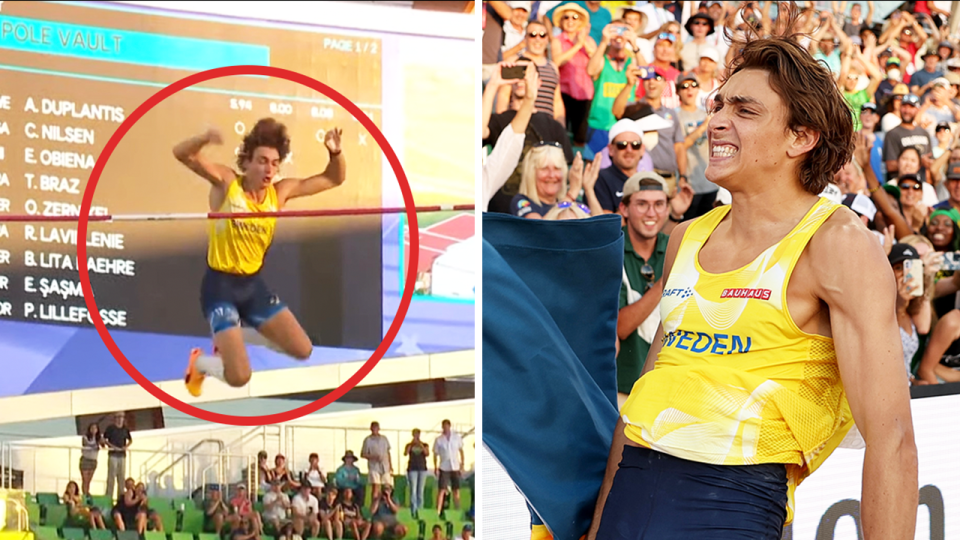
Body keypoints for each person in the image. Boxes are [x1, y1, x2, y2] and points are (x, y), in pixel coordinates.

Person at [587, 5, 917, 538]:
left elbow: (892, 439)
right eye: (719, 104)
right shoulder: (685, 236)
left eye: (744, 110)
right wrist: (603, 519)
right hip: (632, 491)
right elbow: (650, 393)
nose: (716, 119)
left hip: (731, 507)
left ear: (800, 137)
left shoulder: (837, 243)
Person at [174, 118, 345, 396]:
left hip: (253, 287)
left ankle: (232, 339)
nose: (270, 169)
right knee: (240, 376)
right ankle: (203, 363)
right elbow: (182, 154)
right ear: (248, 162)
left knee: (303, 349)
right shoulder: (227, 183)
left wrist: (335, 153)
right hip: (220, 288)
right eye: (263, 161)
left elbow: (333, 178)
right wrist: (204, 137)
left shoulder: (280, 193)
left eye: (276, 163)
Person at [614, 173, 672, 409]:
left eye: (659, 204)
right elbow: (620, 327)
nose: (652, 213)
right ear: (624, 208)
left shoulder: (677, 246)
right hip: (622, 391)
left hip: (669, 390)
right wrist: (663, 285)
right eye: (642, 204)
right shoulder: (612, 250)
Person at [433, 419, 464, 516]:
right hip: (444, 466)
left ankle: (457, 509)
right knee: (441, 489)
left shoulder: (456, 438)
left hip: (455, 466)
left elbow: (461, 451)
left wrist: (462, 464)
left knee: (456, 489)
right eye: (443, 426)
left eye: (447, 426)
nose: (445, 428)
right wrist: (435, 466)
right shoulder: (439, 439)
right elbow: (435, 454)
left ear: (449, 426)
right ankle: (437, 511)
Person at [360, 422, 393, 504]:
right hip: (374, 466)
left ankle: (386, 505)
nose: (375, 429)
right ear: (370, 429)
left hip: (385, 466)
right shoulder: (367, 440)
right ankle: (374, 506)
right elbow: (363, 454)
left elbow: (388, 452)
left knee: (387, 486)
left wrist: (391, 465)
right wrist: (373, 456)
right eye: (373, 428)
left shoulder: (384, 439)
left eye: (376, 427)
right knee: (376, 487)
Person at [103, 412, 131, 502]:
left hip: (122, 455)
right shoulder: (110, 428)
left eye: (121, 417)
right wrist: (112, 446)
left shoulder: (125, 429)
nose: (120, 419)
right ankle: (108, 497)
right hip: (113, 454)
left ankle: (120, 499)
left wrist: (125, 447)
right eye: (118, 417)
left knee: (121, 478)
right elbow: (104, 439)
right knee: (111, 477)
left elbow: (130, 440)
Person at [403, 429, 429, 517]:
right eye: (414, 434)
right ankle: (413, 511)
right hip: (412, 469)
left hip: (422, 469)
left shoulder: (425, 444)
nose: (416, 436)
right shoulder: (409, 445)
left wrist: (420, 445)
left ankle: (420, 510)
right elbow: (405, 453)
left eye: (417, 434)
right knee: (413, 490)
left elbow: (427, 453)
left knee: (420, 491)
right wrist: (411, 444)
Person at [79, 423, 103, 496]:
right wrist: (96, 444)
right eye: (92, 428)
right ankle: (85, 493)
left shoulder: (99, 438)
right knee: (85, 479)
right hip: (86, 459)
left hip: (93, 460)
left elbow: (103, 445)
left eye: (95, 428)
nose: (93, 430)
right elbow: (86, 444)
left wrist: (101, 442)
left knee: (89, 480)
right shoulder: (85, 437)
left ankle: (87, 492)